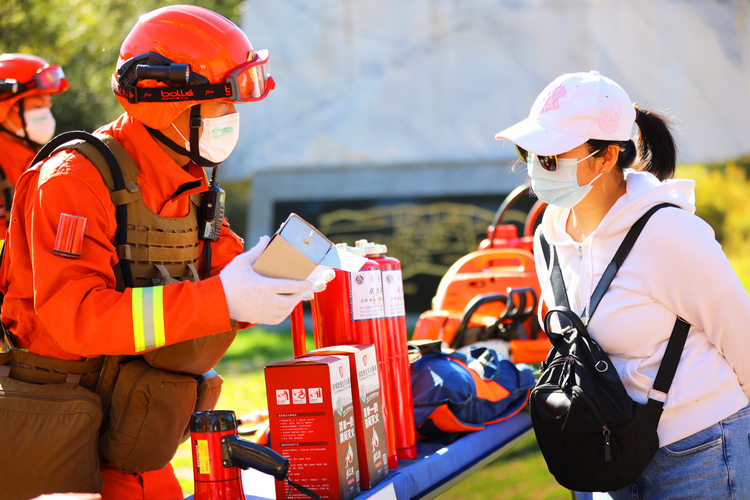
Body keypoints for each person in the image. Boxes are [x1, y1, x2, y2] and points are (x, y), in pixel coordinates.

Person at [0, 5, 319, 500]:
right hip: (63, 434)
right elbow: (76, 317)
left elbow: (222, 280)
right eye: (221, 103)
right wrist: (226, 299)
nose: (231, 119)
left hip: (133, 431)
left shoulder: (186, 175)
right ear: (169, 104)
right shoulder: (72, 180)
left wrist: (267, 280)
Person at [494, 70, 750, 499]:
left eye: (551, 156)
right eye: (530, 152)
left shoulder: (667, 232)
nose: (535, 169)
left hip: (699, 449)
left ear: (607, 156)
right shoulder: (548, 238)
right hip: (610, 453)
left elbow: (741, 334)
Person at [0, 53, 68, 239]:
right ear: (5, 107)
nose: (45, 116)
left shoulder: (36, 160)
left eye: (48, 105)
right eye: (37, 107)